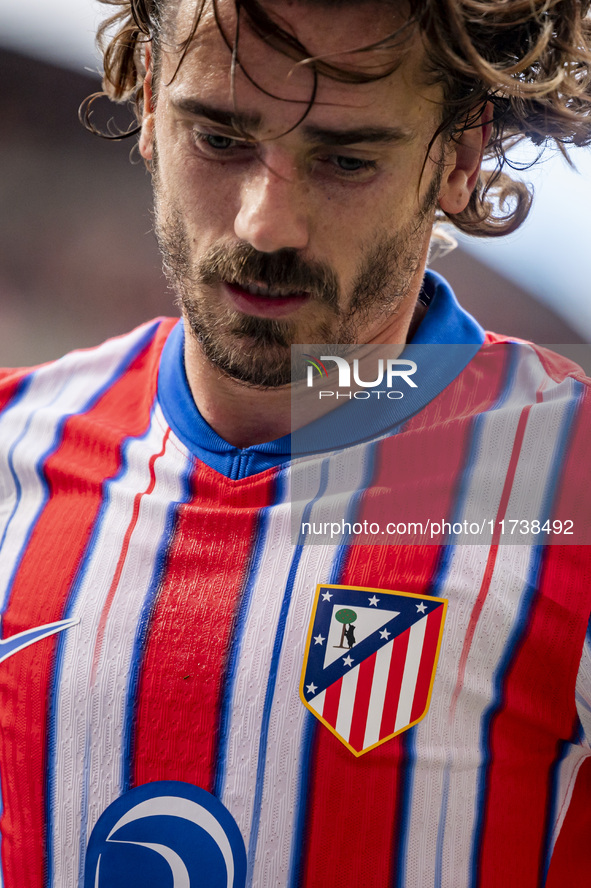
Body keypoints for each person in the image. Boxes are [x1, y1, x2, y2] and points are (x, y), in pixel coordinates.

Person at [0, 0, 590, 885]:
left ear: (458, 157)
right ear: (152, 102)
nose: (264, 226)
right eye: (222, 141)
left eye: (346, 159)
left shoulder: (570, 482)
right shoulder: (13, 449)